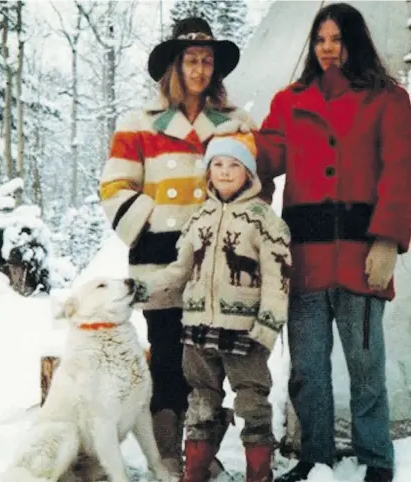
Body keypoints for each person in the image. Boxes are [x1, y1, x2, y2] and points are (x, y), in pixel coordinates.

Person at [248, 3, 411, 482]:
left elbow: (401, 174)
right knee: (308, 369)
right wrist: (229, 149)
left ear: (354, 41)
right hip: (304, 260)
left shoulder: (389, 100)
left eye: (337, 39)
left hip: (362, 257)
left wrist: (387, 242)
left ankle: (377, 459)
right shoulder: (289, 101)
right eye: (320, 39)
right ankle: (315, 457)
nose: (327, 48)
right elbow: (264, 159)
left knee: (366, 369)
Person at [99, 17, 256, 477]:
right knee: (166, 355)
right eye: (191, 59)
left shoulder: (235, 123)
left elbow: (253, 189)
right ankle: (168, 455)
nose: (200, 68)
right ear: (175, 64)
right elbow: (113, 187)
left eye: (208, 60)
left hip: (216, 259)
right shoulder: (138, 123)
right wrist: (151, 218)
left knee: (210, 360)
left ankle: (201, 457)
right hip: (158, 256)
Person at [134, 131, 291, 482]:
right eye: (217, 164)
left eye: (234, 165)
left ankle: (258, 471)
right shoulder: (199, 220)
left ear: (248, 173)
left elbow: (278, 279)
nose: (224, 171)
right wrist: (147, 288)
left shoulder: (264, 221)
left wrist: (267, 327)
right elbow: (180, 269)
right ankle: (197, 470)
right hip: (198, 330)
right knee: (201, 400)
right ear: (208, 172)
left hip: (244, 333)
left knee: (252, 400)